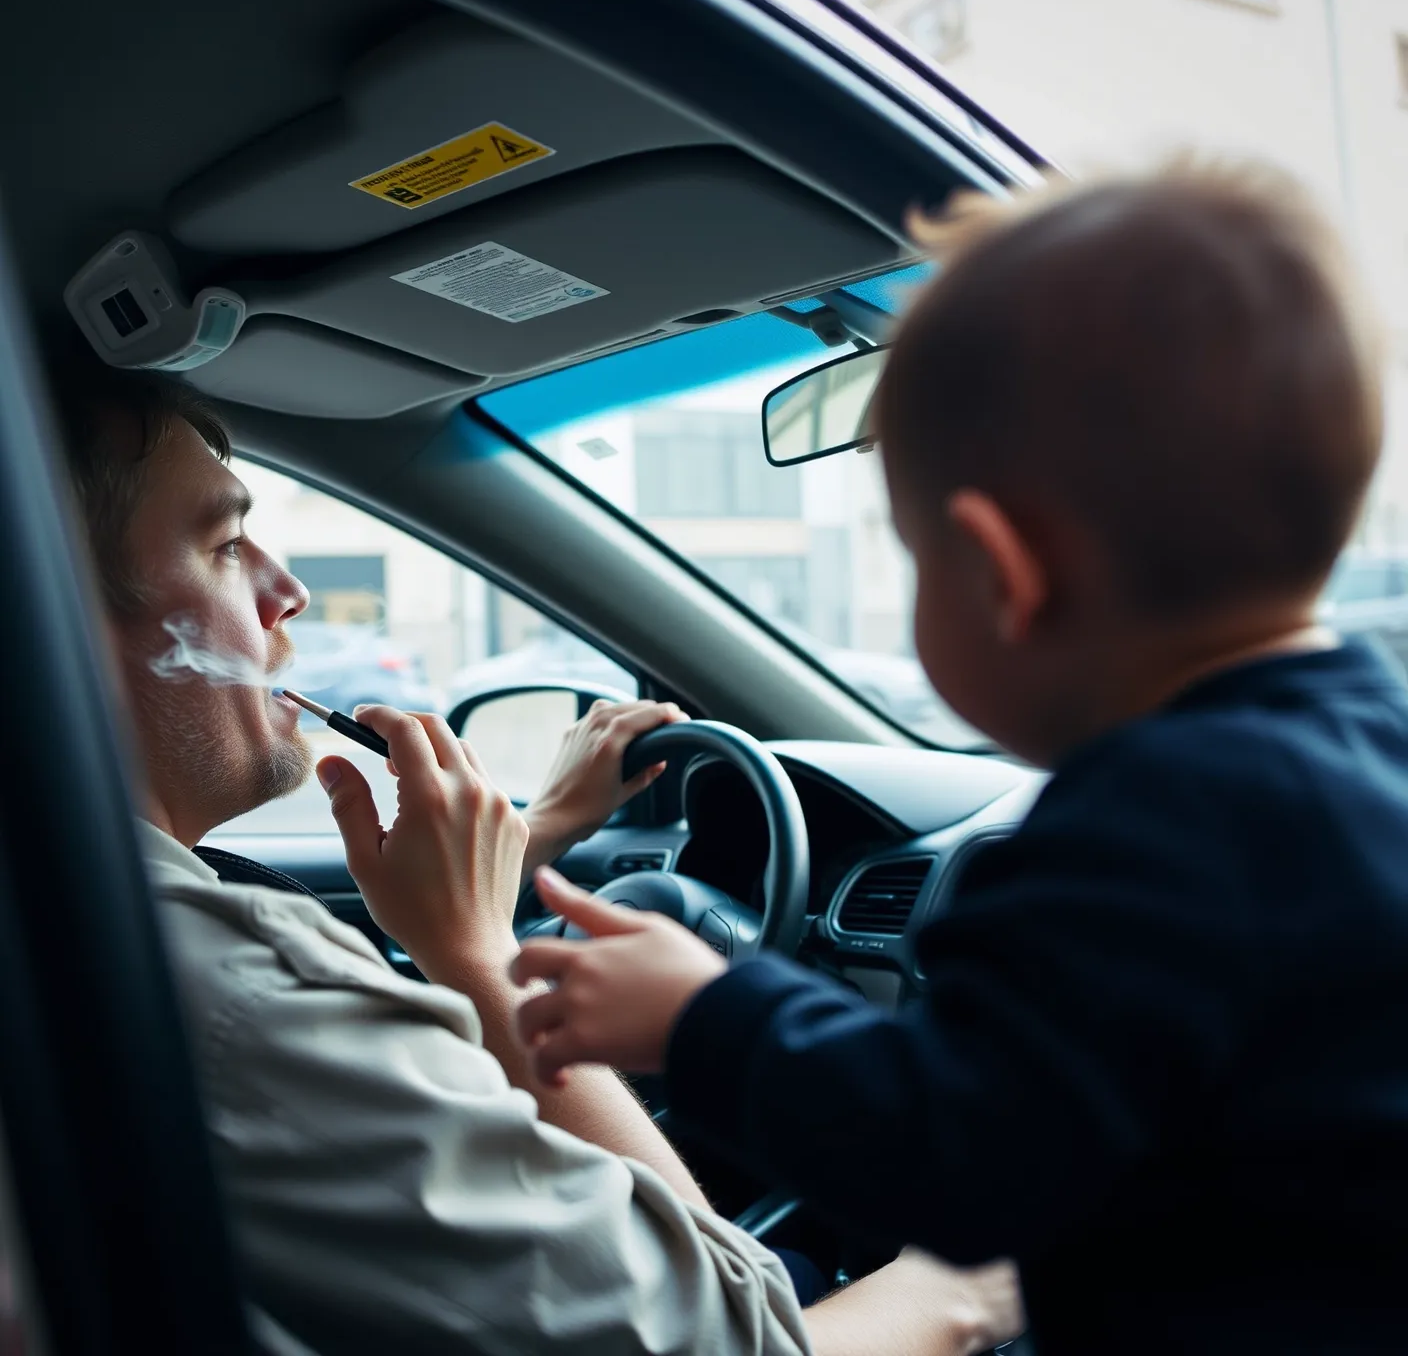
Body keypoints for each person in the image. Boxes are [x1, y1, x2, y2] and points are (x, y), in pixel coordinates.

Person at [510, 157, 1408, 1355]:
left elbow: (968, 1159)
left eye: (917, 562)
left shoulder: (1135, 826)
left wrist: (709, 1017)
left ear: (1001, 574)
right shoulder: (1373, 748)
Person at [49, 357, 1023, 1356]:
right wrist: (969, 1279)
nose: (288, 589)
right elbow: (741, 1338)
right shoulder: (230, 991)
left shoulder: (103, 923)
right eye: (222, 545)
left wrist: (540, 833)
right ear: (53, 616)